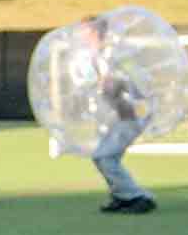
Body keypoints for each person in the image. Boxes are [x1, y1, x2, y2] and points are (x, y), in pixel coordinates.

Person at [67, 17, 156, 215]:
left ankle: (138, 197)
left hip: (131, 113)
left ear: (96, 33)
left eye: (85, 32)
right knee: (104, 158)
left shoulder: (116, 53)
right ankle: (122, 196)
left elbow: (136, 82)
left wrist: (115, 83)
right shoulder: (92, 57)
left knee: (104, 157)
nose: (80, 36)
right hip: (115, 117)